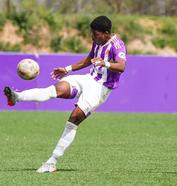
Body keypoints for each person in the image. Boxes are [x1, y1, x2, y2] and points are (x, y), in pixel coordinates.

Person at [4, 15, 127, 173]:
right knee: (55, 90)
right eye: (92, 33)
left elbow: (121, 67)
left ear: (106, 33)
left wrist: (106, 63)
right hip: (88, 78)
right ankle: (17, 97)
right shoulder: (97, 42)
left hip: (101, 88)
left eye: (95, 34)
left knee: (74, 118)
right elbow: (89, 59)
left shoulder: (118, 45)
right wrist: (67, 69)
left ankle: (52, 161)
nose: (92, 36)